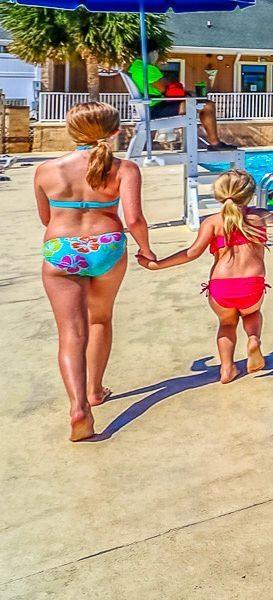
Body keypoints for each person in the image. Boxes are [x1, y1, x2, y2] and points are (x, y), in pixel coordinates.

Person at [34, 102, 155, 441]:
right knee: (99, 319)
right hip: (107, 247)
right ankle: (95, 391)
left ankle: (78, 408)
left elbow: (46, 218)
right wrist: (146, 250)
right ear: (115, 132)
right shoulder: (125, 169)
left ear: (71, 131)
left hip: (61, 250)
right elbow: (134, 219)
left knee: (71, 333)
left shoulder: (46, 170)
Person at [139, 169, 273, 384]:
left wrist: (157, 265)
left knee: (227, 324)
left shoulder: (212, 222)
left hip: (221, 287)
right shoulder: (260, 216)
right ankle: (253, 340)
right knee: (251, 314)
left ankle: (227, 369)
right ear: (249, 195)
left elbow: (192, 253)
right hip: (252, 284)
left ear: (218, 195)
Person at [127, 52, 234, 148]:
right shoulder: (147, 69)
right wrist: (187, 94)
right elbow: (166, 89)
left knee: (195, 102)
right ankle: (215, 143)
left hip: (150, 107)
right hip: (156, 109)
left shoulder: (134, 67)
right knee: (207, 105)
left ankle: (213, 142)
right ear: (153, 52)